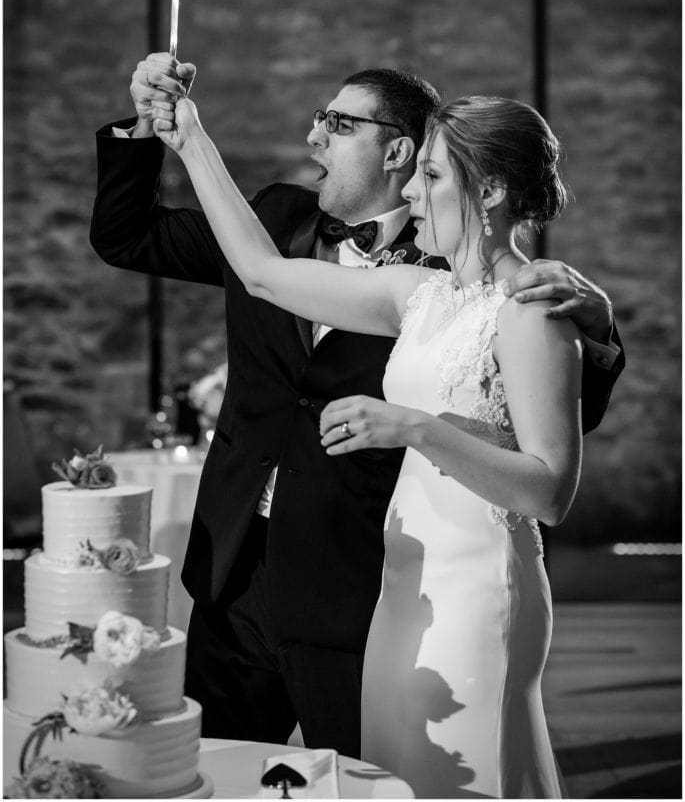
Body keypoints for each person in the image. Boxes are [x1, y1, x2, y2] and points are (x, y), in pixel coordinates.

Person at [90, 54, 624, 762]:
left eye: (338, 124)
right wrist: (181, 134)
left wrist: (598, 333)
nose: (315, 138)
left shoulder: (504, 296)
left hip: (374, 575)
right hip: (251, 566)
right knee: (221, 765)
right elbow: (243, 267)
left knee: (399, 765)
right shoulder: (386, 275)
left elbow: (550, 452)